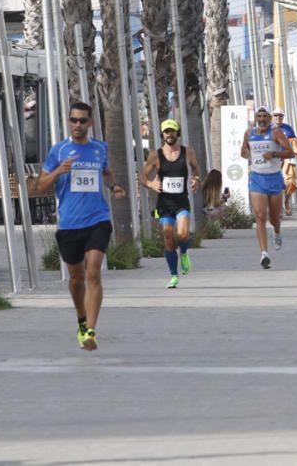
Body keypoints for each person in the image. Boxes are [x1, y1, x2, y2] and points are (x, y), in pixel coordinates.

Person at [37, 102, 126, 351]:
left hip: (97, 219)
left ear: (90, 123)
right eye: (74, 120)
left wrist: (113, 186)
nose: (78, 125)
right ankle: (81, 319)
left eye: (82, 121)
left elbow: (106, 172)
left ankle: (90, 331)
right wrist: (58, 172)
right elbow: (40, 186)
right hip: (69, 224)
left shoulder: (100, 149)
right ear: (68, 121)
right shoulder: (59, 150)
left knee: (93, 272)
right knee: (76, 279)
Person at [139, 119, 202, 289]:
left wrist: (196, 179)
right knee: (168, 237)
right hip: (164, 204)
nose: (169, 134)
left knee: (182, 234)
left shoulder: (187, 152)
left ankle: (184, 253)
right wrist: (151, 184)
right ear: (162, 134)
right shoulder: (155, 155)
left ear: (177, 133)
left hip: (181, 202)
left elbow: (196, 168)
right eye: (166, 132)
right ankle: (174, 275)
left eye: (172, 131)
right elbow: (143, 176)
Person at [241, 106, 294, 269]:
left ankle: (277, 231)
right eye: (260, 116)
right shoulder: (249, 133)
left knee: (274, 218)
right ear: (256, 118)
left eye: (265, 116)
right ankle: (264, 253)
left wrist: (274, 154)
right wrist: (244, 151)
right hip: (257, 179)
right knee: (260, 216)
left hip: (274, 179)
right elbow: (244, 150)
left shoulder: (276, 133)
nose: (262, 119)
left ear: (269, 119)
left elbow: (290, 152)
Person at [272, 107, 297, 216]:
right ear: (272, 117)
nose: (278, 117)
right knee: (276, 183)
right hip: (274, 158)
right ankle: (278, 208)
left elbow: (294, 141)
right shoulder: (268, 128)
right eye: (276, 115)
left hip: (287, 157)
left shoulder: (288, 128)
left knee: (290, 181)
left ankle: (286, 201)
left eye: (280, 115)